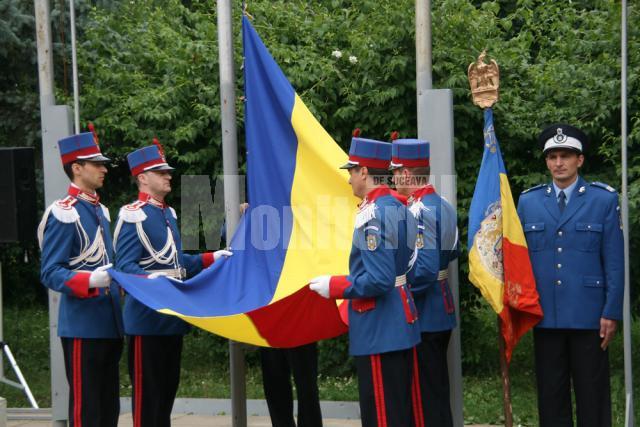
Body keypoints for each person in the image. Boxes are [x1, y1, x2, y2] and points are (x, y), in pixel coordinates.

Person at [114, 139, 232, 427]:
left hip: (171, 318)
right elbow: (125, 268)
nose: (169, 175)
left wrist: (211, 258)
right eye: (160, 172)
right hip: (147, 318)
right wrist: (150, 280)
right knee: (148, 401)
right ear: (143, 178)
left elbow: (176, 263)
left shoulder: (168, 213)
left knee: (166, 396)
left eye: (167, 171)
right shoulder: (133, 215)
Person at [308, 131, 420, 427]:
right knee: (398, 411)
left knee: (383, 416)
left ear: (365, 172)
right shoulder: (398, 206)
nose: (349, 180)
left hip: (380, 327)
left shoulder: (374, 216)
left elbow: (379, 279)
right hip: (398, 320)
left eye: (352, 172)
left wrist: (335, 286)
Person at [517, 124, 623, 427]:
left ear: (580, 160)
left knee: (592, 394)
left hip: (589, 315)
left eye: (566, 156)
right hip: (545, 313)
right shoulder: (529, 201)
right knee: (551, 396)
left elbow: (614, 261)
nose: (558, 163)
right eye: (552, 156)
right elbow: (519, 259)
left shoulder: (603, 200)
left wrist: (611, 311)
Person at [38, 129, 124, 427]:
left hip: (109, 322)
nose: (103, 169)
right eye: (96, 164)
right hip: (83, 324)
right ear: (76, 168)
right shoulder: (64, 213)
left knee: (107, 409)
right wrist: (89, 281)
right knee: (86, 411)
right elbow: (51, 271)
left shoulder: (100, 209)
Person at [389, 138, 458, 427]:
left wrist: (398, 295)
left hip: (423, 313)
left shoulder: (419, 211)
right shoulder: (441, 204)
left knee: (424, 400)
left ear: (406, 174)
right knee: (435, 393)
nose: (392, 179)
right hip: (438, 309)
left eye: (394, 172)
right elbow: (451, 252)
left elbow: (425, 269)